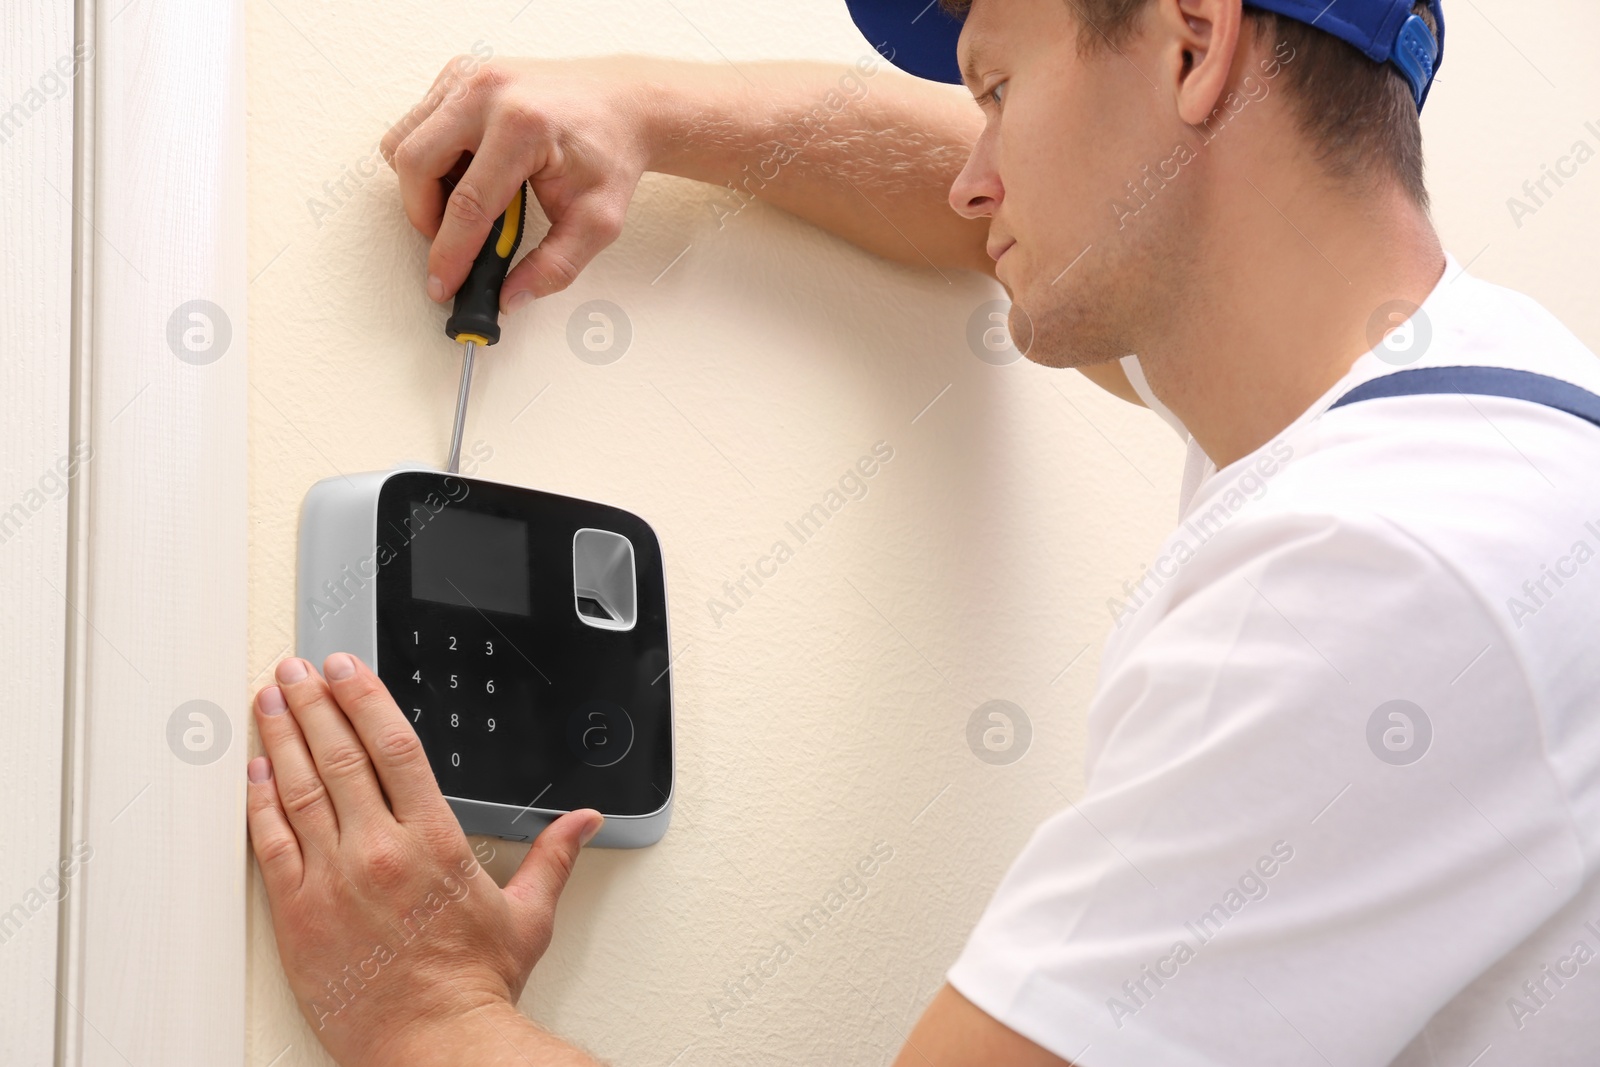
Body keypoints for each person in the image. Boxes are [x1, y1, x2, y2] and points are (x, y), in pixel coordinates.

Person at [247, 0, 1600, 1063]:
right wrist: (640, 109)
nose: (975, 178)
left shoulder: (1378, 570)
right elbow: (994, 210)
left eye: (1000, 88)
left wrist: (429, 1013)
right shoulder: (1483, 411)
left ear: (1195, 44)